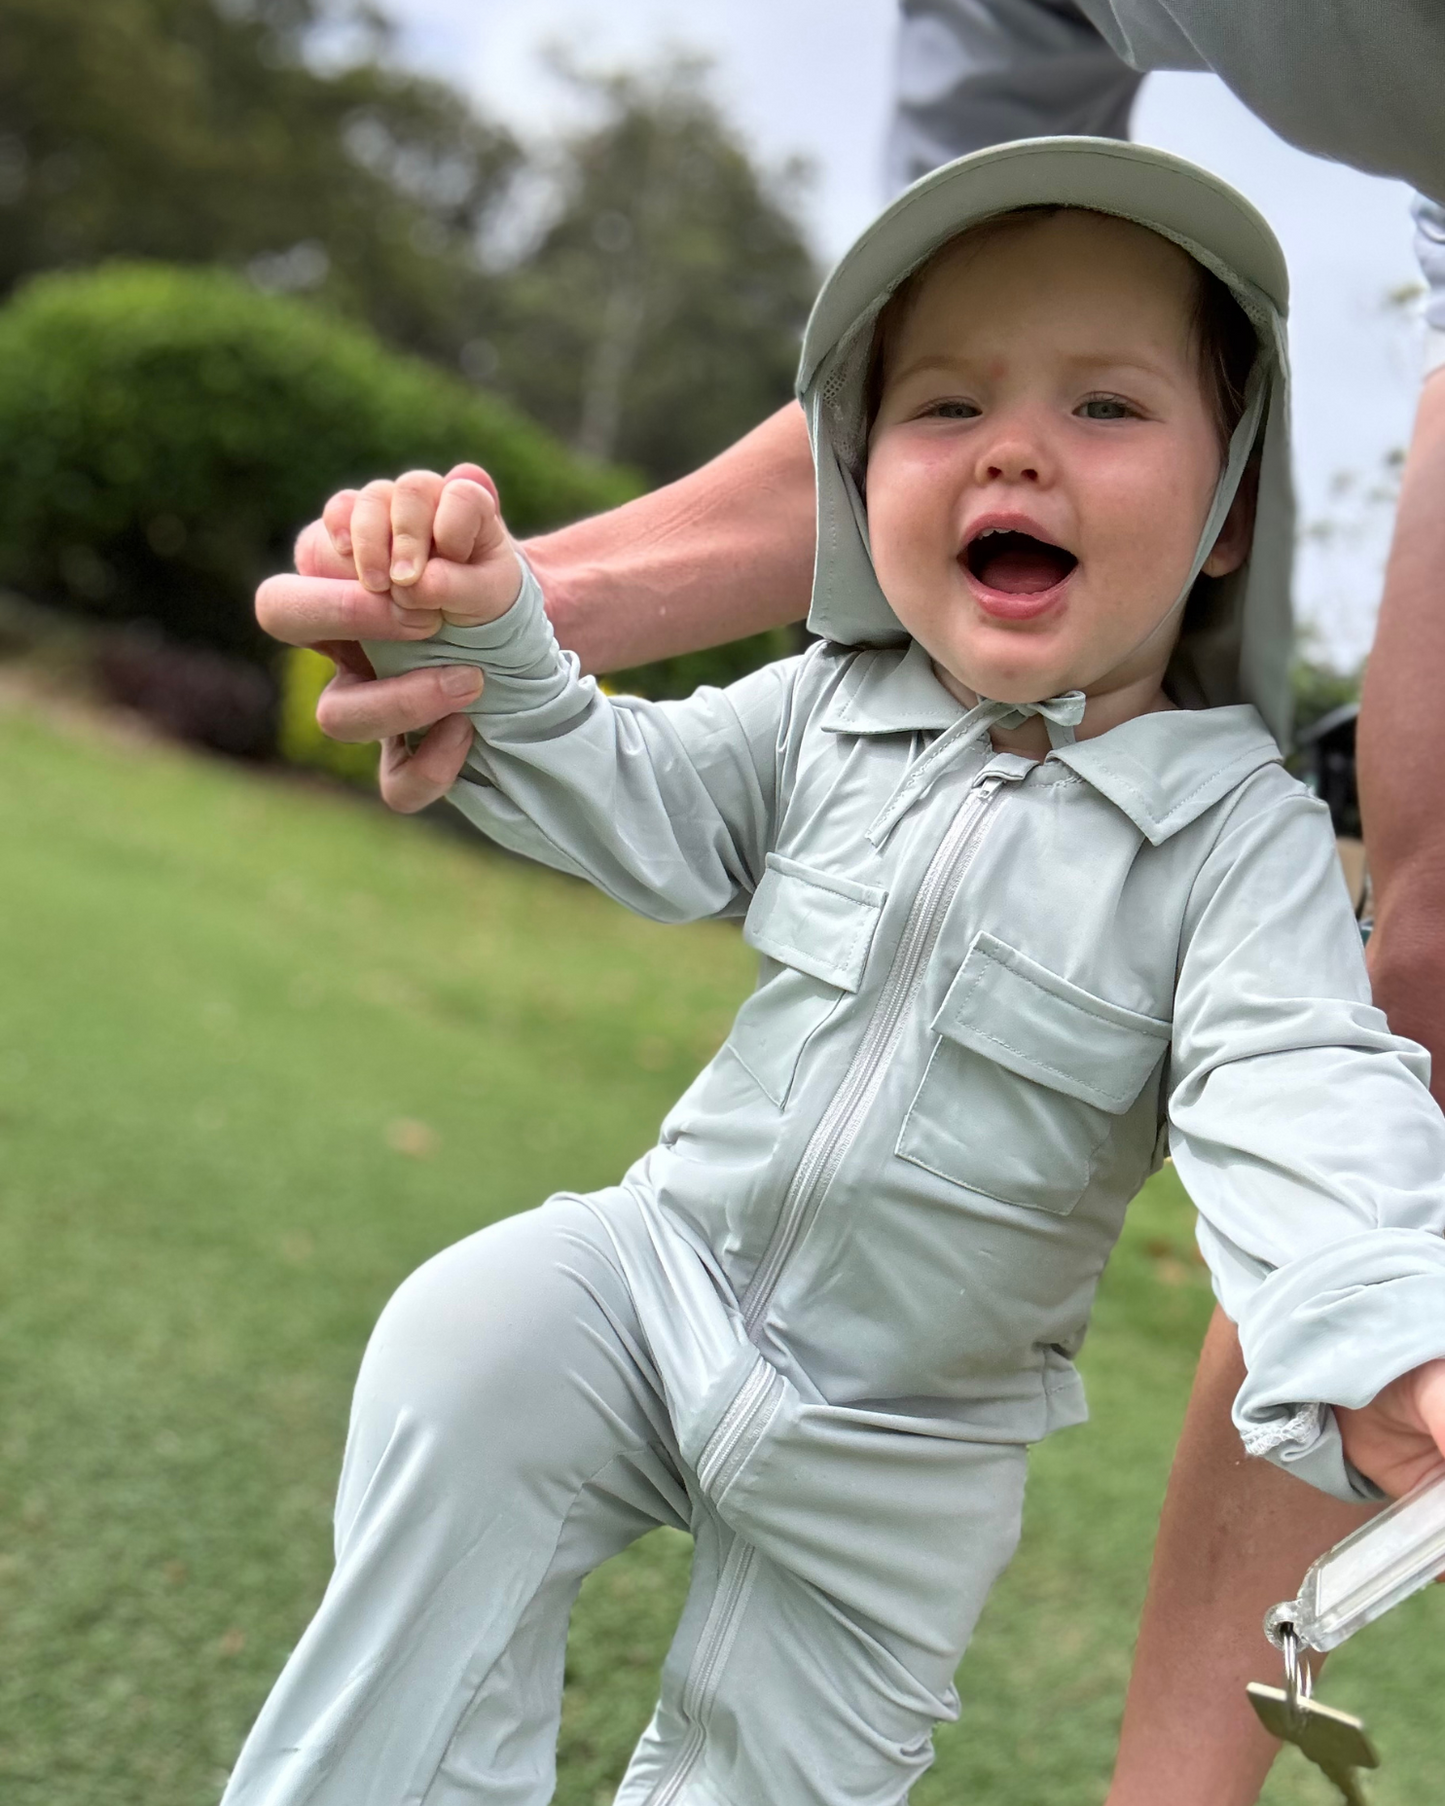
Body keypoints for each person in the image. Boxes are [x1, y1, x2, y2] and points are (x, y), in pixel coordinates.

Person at [256, 11, 1445, 1798]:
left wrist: (1388, 1333)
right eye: (943, 404)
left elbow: (1302, 1086)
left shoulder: (1241, 840)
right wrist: (491, 635)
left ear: (1226, 519)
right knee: (465, 1341)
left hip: (903, 1458)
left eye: (1105, 406)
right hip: (661, 1281)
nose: (1011, 452)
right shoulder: (828, 703)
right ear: (855, 481)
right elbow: (634, 792)